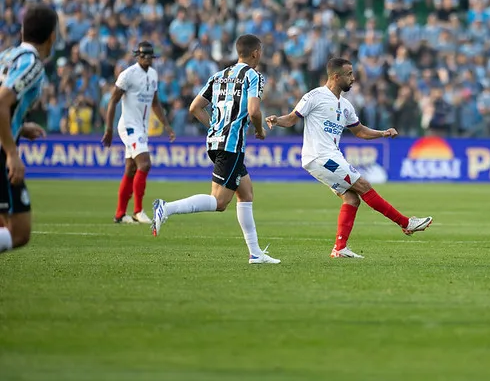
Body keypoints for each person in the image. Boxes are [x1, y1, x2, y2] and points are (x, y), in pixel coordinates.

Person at [266, 57, 432, 259]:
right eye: (349, 74)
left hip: (330, 157)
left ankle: (340, 248)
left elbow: (360, 131)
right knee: (364, 185)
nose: (353, 78)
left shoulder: (345, 105)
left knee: (352, 198)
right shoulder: (314, 96)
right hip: (320, 157)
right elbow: (292, 118)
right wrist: (277, 119)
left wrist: (383, 133)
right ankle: (406, 223)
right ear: (336, 77)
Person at [151, 34, 279, 264]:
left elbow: (194, 107)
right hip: (230, 146)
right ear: (255, 53)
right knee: (219, 202)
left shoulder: (219, 75)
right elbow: (253, 111)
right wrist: (259, 130)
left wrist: (216, 127)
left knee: (246, 193)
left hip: (215, 142)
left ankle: (256, 253)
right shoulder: (253, 76)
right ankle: (166, 208)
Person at [0, 3, 57, 255]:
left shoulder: (6, 56)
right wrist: (12, 152)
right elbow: (1, 101)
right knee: (18, 232)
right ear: (52, 36)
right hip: (2, 151)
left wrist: (19, 128)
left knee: (10, 229)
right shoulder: (32, 64)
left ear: (22, 31)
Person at [102, 42, 175, 224]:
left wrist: (166, 125)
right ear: (138, 56)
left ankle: (120, 214)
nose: (148, 59)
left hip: (142, 128)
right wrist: (108, 128)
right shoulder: (128, 75)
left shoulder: (153, 74)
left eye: (151, 56)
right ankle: (138, 211)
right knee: (145, 164)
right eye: (145, 56)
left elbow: (155, 103)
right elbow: (112, 101)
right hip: (128, 126)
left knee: (131, 168)